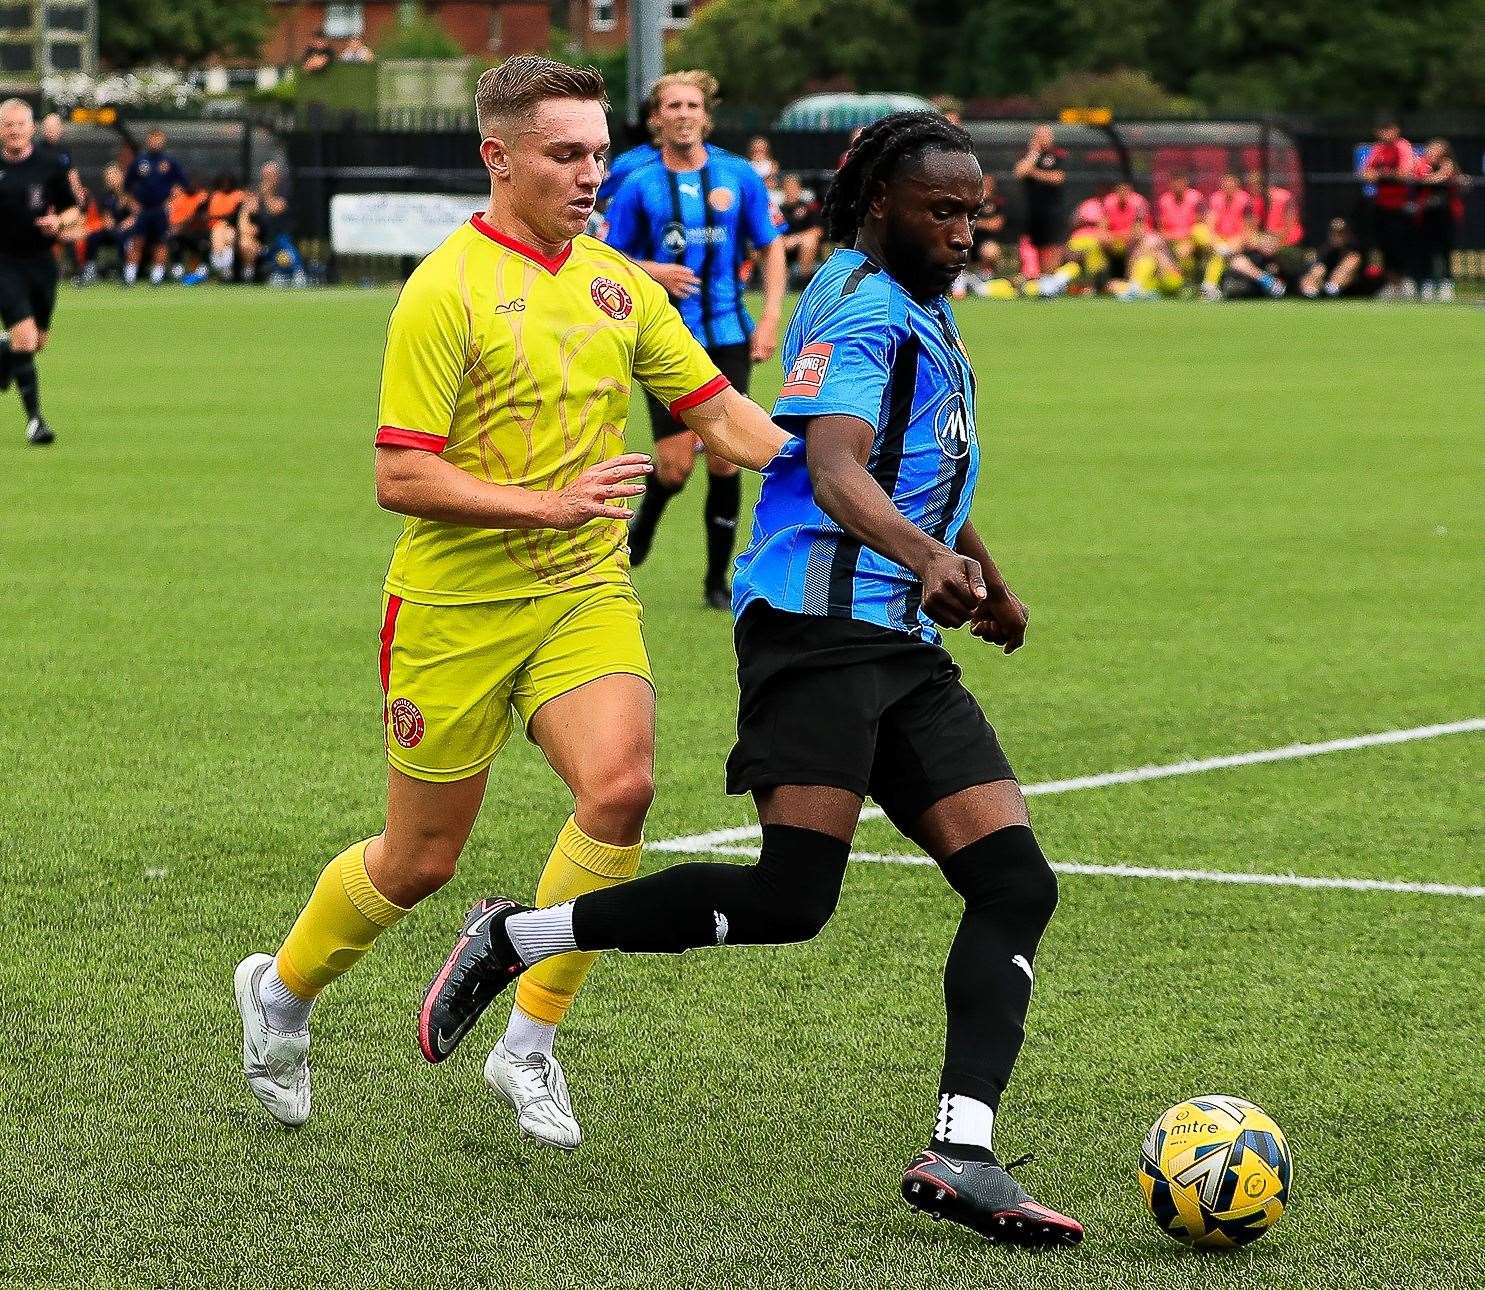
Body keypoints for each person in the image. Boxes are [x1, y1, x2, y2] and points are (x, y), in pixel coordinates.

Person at [419, 110, 1084, 1250]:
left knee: (1015, 884)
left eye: (978, 210)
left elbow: (917, 462)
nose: (970, 230)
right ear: (881, 204)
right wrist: (931, 559)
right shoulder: (859, 305)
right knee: (791, 899)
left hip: (900, 646)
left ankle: (961, 1149)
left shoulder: (922, 305)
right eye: (944, 210)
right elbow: (831, 466)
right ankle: (516, 936)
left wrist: (988, 575)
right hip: (815, 636)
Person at [233, 55, 787, 1149]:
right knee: (419, 862)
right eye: (564, 154)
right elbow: (400, 475)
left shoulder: (614, 282)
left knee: (621, 788)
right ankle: (282, 993)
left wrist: (856, 490)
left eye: (596, 152)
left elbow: (721, 415)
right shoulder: (444, 289)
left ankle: (527, 1043)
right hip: (454, 609)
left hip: (583, 592)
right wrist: (547, 506)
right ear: (499, 157)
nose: (590, 174)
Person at [603, 71, 786, 609]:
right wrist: (655, 272)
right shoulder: (638, 184)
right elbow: (608, 258)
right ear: (657, 118)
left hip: (728, 334)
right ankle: (640, 535)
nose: (683, 114)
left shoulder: (738, 176)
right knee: (675, 466)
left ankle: (716, 583)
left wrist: (771, 315)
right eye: (672, 106)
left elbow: (771, 246)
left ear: (706, 115)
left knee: (727, 456)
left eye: (692, 105)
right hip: (664, 341)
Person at [0, 99, 79, 445]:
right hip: (4, 264)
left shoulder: (50, 166)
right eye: (7, 125)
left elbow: (73, 211)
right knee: (26, 339)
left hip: (41, 264)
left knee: (36, 343)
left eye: (19, 124)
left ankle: (4, 354)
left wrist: (58, 221)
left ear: (31, 128)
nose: (14, 131)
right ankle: (35, 422)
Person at [123, 127, 187, 285]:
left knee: (161, 243)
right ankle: (129, 277)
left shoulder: (169, 162)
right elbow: (127, 186)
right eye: (153, 138)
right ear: (148, 140)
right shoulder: (140, 161)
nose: (156, 142)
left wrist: (171, 201)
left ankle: (156, 277)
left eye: (159, 139)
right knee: (137, 241)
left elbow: (182, 184)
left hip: (160, 210)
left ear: (163, 141)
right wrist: (133, 204)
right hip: (143, 210)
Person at [1359, 120, 1415, 295]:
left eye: (1388, 130)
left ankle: (1404, 283)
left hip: (1400, 207)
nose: (1384, 134)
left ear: (1396, 130)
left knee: (1400, 246)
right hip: (1381, 206)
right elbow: (1365, 173)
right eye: (1381, 130)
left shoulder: (1402, 146)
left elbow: (1404, 173)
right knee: (1384, 247)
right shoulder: (1378, 149)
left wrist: (1382, 175)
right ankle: (1390, 284)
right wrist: (1385, 175)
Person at [1412, 139, 1464, 301]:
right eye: (1430, 149)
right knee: (1426, 250)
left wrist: (1442, 174)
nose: (1432, 153)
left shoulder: (1450, 165)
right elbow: (1420, 178)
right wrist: (1434, 177)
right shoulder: (1421, 164)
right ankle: (1426, 285)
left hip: (1445, 214)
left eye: (1437, 150)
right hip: (1426, 214)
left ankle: (1446, 285)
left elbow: (1450, 178)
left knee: (1445, 250)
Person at [237, 161, 305, 284]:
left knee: (283, 244)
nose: (267, 179)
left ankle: (297, 271)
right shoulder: (255, 191)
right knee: (246, 243)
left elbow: (275, 209)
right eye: (265, 175)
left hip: (280, 235)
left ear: (277, 177)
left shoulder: (285, 191)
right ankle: (248, 277)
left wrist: (266, 194)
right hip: (261, 236)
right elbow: (248, 210)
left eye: (271, 175)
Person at [1013, 124, 1064, 273]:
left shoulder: (1058, 155)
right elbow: (1019, 172)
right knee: (1032, 248)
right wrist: (1034, 153)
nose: (1044, 139)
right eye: (1040, 136)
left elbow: (1057, 177)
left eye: (1047, 136)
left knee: (1051, 248)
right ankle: (1035, 279)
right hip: (1031, 212)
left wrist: (1033, 173)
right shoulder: (1028, 155)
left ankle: (1049, 280)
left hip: (1052, 212)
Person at [1299, 217, 1375, 299]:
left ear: (1347, 234)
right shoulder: (1325, 251)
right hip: (1325, 285)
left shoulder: (1354, 251)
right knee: (1318, 270)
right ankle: (1313, 292)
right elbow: (1316, 269)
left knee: (1351, 261)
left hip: (1352, 289)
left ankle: (1331, 289)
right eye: (1334, 233)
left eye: (1341, 233)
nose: (1337, 236)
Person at [777, 172, 824, 284]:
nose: (791, 191)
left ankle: (802, 282)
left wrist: (795, 239)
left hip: (803, 248)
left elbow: (818, 231)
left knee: (809, 241)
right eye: (788, 188)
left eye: (793, 188)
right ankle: (770, 281)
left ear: (799, 189)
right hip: (782, 247)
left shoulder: (809, 208)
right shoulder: (778, 210)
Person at [205, 171, 246, 280]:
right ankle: (220, 269)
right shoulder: (215, 196)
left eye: (228, 182)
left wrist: (224, 219)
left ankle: (227, 270)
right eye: (223, 182)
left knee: (229, 236)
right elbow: (210, 216)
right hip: (215, 228)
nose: (225, 185)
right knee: (218, 233)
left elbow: (237, 215)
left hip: (232, 228)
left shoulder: (238, 195)